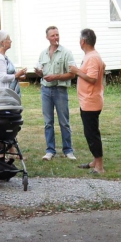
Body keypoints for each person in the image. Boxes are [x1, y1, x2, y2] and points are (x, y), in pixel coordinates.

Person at [35, 25, 77, 161]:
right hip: (46, 90)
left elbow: (72, 74)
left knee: (64, 122)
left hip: (60, 90)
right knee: (48, 122)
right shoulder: (43, 53)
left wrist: (56, 77)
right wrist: (39, 72)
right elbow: (41, 71)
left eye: (57, 35)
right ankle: (50, 151)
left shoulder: (66, 52)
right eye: (52, 35)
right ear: (47, 37)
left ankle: (68, 150)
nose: (55, 37)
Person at [69, 27, 105, 174]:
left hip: (91, 102)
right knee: (90, 132)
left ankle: (99, 167)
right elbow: (101, 67)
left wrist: (77, 71)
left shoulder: (92, 57)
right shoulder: (92, 56)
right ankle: (95, 161)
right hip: (88, 101)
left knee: (92, 135)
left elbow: (92, 78)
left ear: (83, 41)